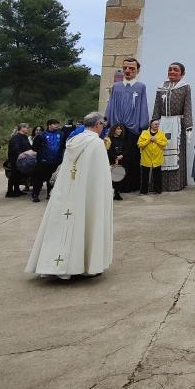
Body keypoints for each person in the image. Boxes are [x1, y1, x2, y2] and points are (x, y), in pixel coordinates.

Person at [25, 112, 114, 279]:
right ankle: (87, 266)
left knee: (63, 226)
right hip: (88, 194)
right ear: (98, 125)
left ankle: (56, 264)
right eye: (102, 124)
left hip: (68, 192)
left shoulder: (73, 141)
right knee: (87, 223)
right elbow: (101, 176)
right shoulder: (96, 143)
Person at [105, 56, 149, 193]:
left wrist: (142, 124)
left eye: (131, 68)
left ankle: (132, 186)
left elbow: (143, 105)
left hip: (133, 128)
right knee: (116, 157)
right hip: (118, 127)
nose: (128, 70)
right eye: (125, 68)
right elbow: (111, 105)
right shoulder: (116, 87)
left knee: (132, 157)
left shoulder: (140, 87)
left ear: (137, 70)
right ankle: (117, 186)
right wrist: (108, 122)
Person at [151, 61, 193, 192]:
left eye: (175, 70)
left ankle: (176, 184)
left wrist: (188, 125)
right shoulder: (161, 87)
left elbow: (187, 107)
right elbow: (157, 106)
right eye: (170, 69)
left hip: (177, 124)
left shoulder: (185, 87)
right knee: (159, 151)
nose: (172, 72)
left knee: (177, 154)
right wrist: (154, 121)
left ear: (182, 73)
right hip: (162, 123)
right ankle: (159, 184)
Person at [33, 119, 64, 202]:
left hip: (56, 161)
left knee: (52, 179)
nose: (56, 125)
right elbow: (35, 148)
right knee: (39, 178)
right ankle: (35, 195)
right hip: (43, 161)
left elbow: (64, 146)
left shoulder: (61, 134)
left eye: (57, 124)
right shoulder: (41, 135)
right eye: (54, 124)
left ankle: (50, 194)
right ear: (49, 125)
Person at [138, 118, 168, 194]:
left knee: (157, 176)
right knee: (145, 176)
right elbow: (139, 144)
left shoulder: (161, 133)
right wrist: (149, 140)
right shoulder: (144, 133)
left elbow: (165, 143)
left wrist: (156, 140)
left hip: (157, 158)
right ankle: (144, 191)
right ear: (151, 125)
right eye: (155, 124)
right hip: (146, 158)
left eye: (158, 124)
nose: (157, 125)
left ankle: (158, 191)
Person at [6, 124, 32, 197]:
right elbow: (15, 148)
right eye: (27, 128)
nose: (28, 129)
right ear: (22, 128)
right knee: (14, 174)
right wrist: (20, 154)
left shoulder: (25, 137)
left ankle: (17, 190)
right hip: (15, 159)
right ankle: (10, 192)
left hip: (23, 159)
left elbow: (28, 146)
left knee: (18, 174)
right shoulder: (16, 137)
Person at [105, 123, 128, 201]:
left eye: (120, 129)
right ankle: (112, 192)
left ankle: (117, 193)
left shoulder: (122, 139)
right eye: (118, 129)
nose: (120, 130)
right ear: (114, 129)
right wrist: (115, 158)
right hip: (112, 160)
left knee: (119, 177)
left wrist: (122, 155)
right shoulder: (109, 139)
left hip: (121, 160)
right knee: (112, 177)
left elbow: (126, 149)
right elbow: (108, 150)